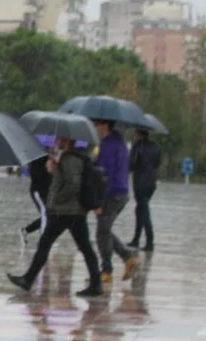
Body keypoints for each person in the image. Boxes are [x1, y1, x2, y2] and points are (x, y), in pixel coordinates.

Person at [7, 136, 104, 298]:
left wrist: (56, 199)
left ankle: (28, 279)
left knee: (48, 244)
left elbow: (73, 185)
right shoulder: (68, 159)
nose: (57, 141)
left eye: (60, 139)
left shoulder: (70, 159)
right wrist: (54, 169)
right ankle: (96, 283)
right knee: (82, 247)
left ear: (67, 141)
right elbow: (65, 179)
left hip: (66, 211)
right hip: (71, 211)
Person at [92, 119, 141, 282]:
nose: (94, 127)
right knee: (104, 230)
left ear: (105, 125)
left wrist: (98, 202)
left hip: (111, 193)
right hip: (122, 191)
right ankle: (128, 258)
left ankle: (107, 271)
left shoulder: (107, 145)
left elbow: (104, 175)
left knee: (102, 232)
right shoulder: (118, 142)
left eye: (96, 124)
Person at [127, 128, 161, 250]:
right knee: (140, 209)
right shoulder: (156, 146)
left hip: (140, 182)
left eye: (135, 134)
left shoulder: (137, 147)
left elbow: (131, 164)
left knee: (144, 211)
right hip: (151, 182)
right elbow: (157, 163)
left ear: (138, 134)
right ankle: (136, 239)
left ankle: (150, 241)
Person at [20, 154, 53, 243]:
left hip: (46, 190)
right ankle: (45, 240)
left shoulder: (47, 157)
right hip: (39, 190)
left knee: (50, 215)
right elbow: (39, 175)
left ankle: (26, 230)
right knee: (46, 214)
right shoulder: (38, 157)